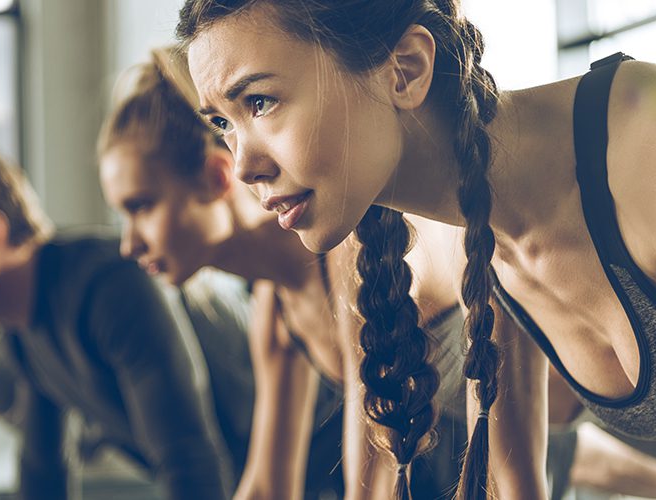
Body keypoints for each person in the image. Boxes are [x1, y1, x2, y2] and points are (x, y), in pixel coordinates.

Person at [177, 0, 656, 498]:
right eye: (222, 123)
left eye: (260, 102)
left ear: (405, 69)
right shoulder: (476, 240)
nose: (243, 167)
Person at [97, 46, 467, 499]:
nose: (128, 243)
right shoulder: (275, 305)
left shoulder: (355, 251)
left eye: (142, 207)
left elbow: (371, 485)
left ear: (217, 178)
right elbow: (267, 486)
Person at [0, 145, 252, 500]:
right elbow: (44, 474)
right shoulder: (18, 331)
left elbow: (190, 462)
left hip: (302, 470)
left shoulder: (108, 287)